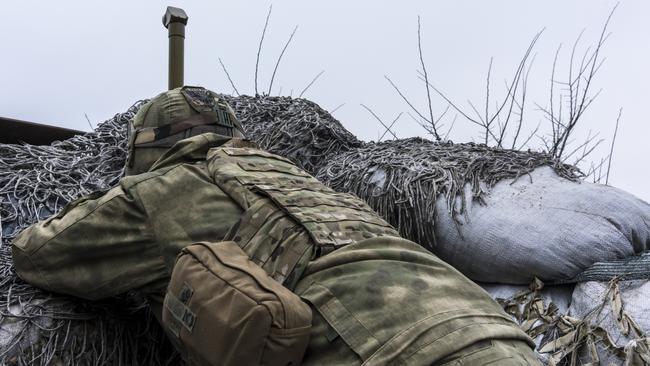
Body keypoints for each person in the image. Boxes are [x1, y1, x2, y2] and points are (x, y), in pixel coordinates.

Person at [12, 86, 538, 365]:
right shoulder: (297, 177)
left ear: (147, 150)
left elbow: (40, 255)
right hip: (498, 336)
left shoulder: (162, 191)